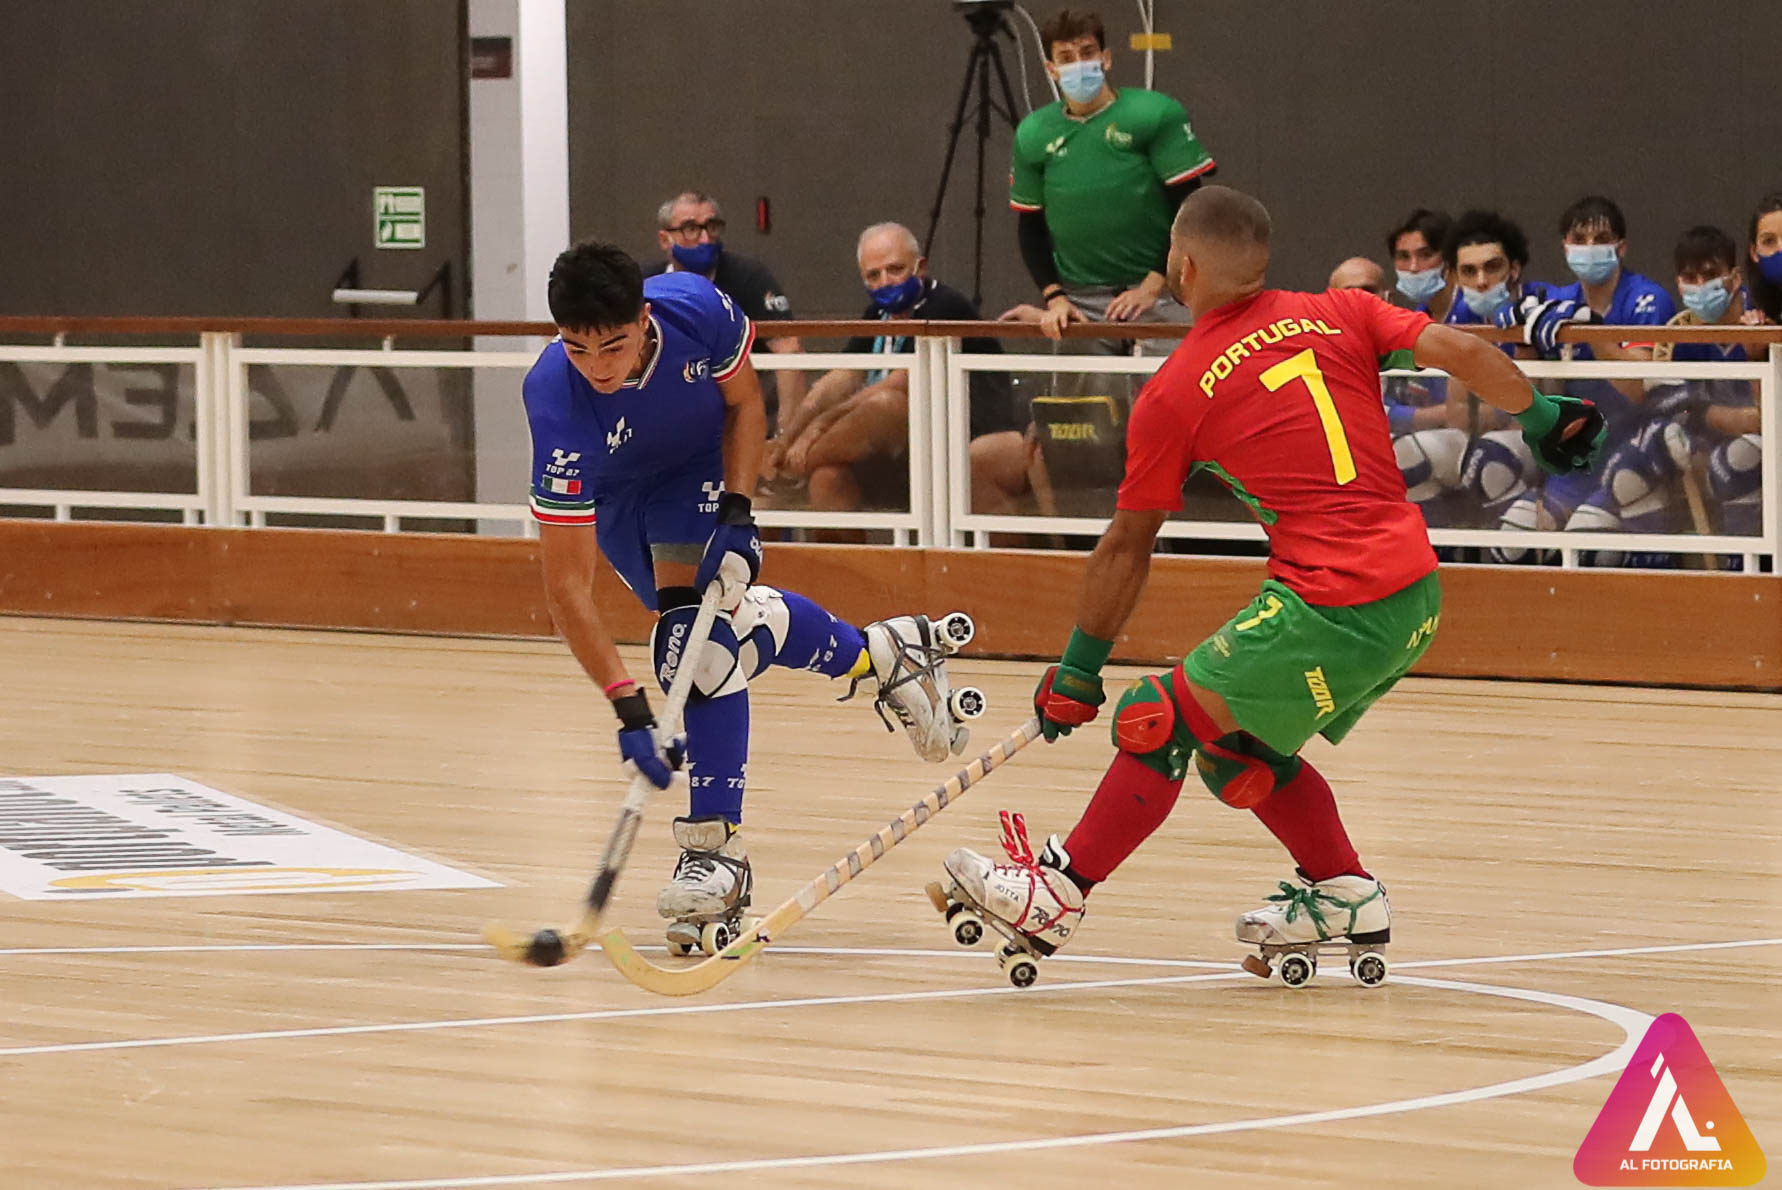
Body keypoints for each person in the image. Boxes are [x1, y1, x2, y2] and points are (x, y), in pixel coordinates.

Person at [934, 186, 1604, 980]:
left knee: (1156, 718)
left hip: (1335, 601)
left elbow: (1126, 545)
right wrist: (1541, 417)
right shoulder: (1342, 311)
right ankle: (1345, 892)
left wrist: (1079, 669)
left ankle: (1058, 892)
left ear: (1183, 266)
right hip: (1415, 593)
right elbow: (1457, 349)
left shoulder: (1176, 390)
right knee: (1235, 751)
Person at [523, 241, 972, 954]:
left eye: (613, 346)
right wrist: (627, 708)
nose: (598, 368)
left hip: (699, 467)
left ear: (643, 320)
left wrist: (737, 508)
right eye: (578, 349)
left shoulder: (696, 309)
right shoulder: (555, 398)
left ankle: (714, 854)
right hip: (618, 499)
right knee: (721, 628)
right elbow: (566, 588)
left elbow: (744, 403)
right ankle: (881, 655)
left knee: (692, 647)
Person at [771, 223, 1017, 513]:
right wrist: (787, 437)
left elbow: (900, 384)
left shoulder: (945, 306)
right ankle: (784, 468)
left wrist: (821, 425)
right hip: (899, 448)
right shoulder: (878, 313)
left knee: (887, 404)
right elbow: (842, 377)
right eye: (873, 276)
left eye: (895, 269)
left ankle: (785, 473)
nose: (885, 282)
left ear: (920, 267)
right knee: (827, 481)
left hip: (960, 437)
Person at [1009, 7, 1216, 341]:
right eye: (1066, 58)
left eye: (1087, 52)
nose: (1079, 64)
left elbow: (1192, 209)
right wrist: (1055, 298)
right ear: (1051, 69)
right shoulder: (1033, 133)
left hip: (1164, 294)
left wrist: (1154, 285)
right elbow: (1030, 226)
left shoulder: (1155, 113)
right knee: (1080, 379)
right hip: (1079, 303)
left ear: (1105, 58)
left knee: (1175, 374)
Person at [1495, 196, 1677, 560]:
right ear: (1565, 247)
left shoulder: (1647, 299)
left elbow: (1639, 389)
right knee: (1512, 544)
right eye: (1579, 240)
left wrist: (1591, 330)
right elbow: (1528, 397)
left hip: (1634, 452)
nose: (1589, 248)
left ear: (1621, 248)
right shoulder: (1557, 300)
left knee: (1588, 547)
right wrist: (1523, 341)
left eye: (1601, 239)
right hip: (1577, 455)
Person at [648, 191, 806, 436]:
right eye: (691, 229)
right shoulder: (647, 284)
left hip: (743, 407)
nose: (705, 239)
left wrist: (786, 435)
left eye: (712, 227)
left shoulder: (749, 276)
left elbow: (789, 350)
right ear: (664, 239)